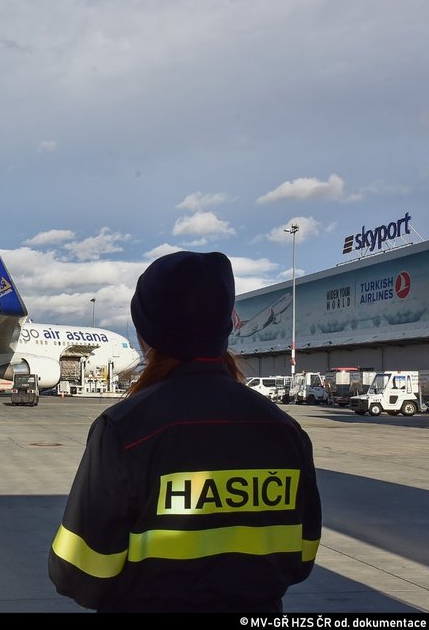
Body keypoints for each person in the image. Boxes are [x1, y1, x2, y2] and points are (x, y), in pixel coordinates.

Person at [48, 251, 322, 613]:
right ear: (224, 328)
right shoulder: (285, 431)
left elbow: (79, 572)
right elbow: (301, 557)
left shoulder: (124, 430)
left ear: (146, 335)